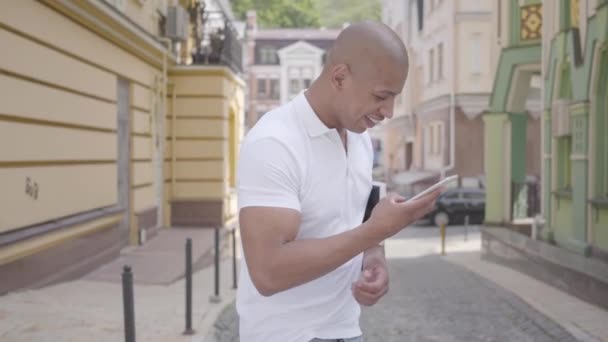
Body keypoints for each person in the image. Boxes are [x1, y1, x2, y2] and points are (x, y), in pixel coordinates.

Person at [236, 21, 442, 342]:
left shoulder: (359, 138)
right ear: (339, 77)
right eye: (381, 96)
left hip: (347, 331)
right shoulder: (274, 142)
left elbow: (361, 220)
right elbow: (268, 271)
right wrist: (374, 232)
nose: (388, 112)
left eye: (394, 99)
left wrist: (375, 258)